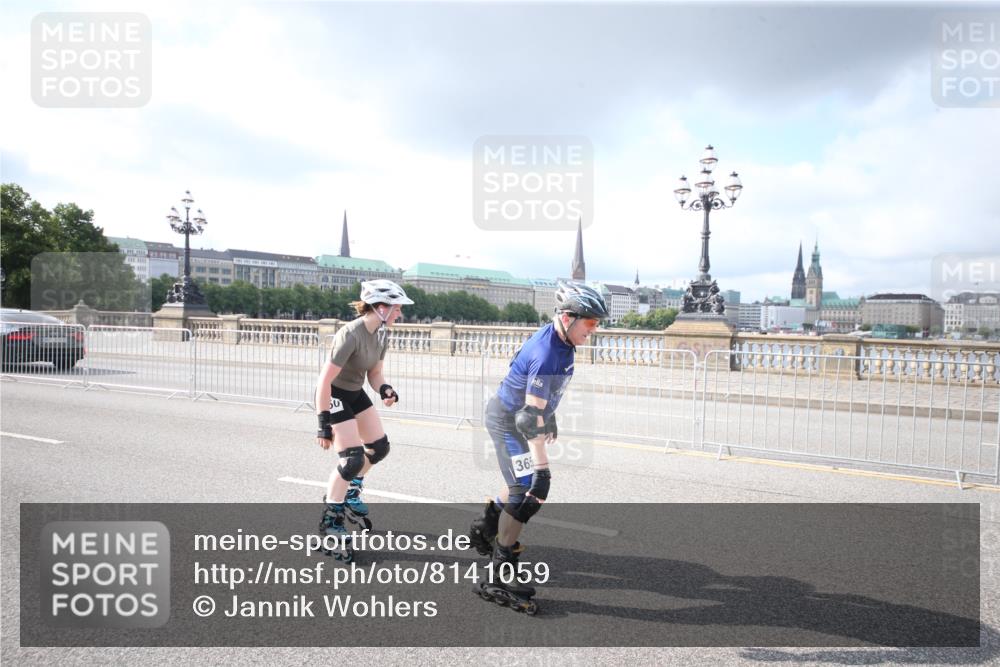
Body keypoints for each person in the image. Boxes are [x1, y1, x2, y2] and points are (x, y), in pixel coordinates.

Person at [470, 280, 609, 609]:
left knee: (521, 484)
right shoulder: (547, 352)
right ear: (567, 317)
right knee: (528, 491)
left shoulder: (562, 341)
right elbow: (527, 419)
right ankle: (497, 575)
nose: (593, 330)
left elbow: (540, 400)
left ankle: (486, 526)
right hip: (508, 420)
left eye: (597, 323)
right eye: (590, 322)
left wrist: (550, 411)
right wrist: (543, 470)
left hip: (520, 414)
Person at [315, 279, 413, 562]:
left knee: (379, 448)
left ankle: (351, 490)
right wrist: (323, 423)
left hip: (355, 392)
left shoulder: (382, 333)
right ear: (381, 308)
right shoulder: (351, 334)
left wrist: (384, 389)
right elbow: (324, 382)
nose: (400, 314)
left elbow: (375, 373)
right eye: (397, 308)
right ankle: (330, 520)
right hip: (334, 393)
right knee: (352, 459)